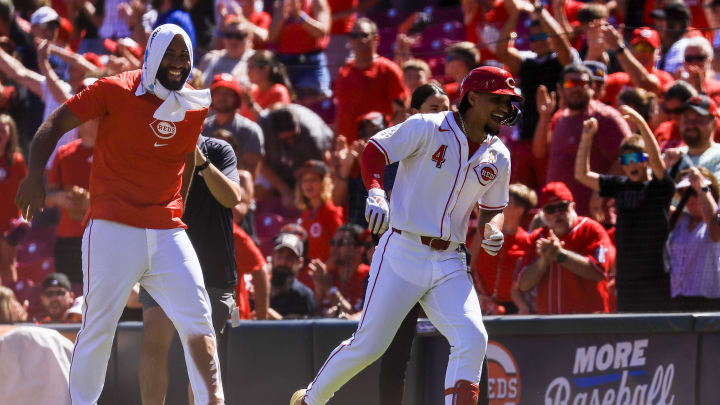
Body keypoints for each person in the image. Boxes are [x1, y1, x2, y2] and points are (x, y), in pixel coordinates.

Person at [14, 25, 224, 404]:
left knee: (199, 320)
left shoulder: (195, 103)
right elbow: (53, 125)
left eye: (185, 56)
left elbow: (187, 159)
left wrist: (178, 206)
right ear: (152, 56)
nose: (178, 64)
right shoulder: (114, 89)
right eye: (171, 54)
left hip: (166, 229)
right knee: (98, 326)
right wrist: (33, 175)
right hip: (113, 226)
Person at [291, 66, 519, 405]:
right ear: (472, 97)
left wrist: (493, 227)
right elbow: (374, 150)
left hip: (450, 258)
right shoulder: (428, 126)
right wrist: (376, 191)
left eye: (508, 101)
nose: (505, 107)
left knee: (472, 337)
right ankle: (310, 400)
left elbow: (493, 207)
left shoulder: (499, 153)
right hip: (403, 248)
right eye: (497, 99)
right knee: (369, 345)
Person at [137, 133, 243, 404]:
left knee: (203, 353)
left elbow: (232, 198)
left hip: (213, 270)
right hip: (164, 263)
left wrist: (202, 163)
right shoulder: (149, 146)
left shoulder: (217, 148)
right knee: (153, 340)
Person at [575, 107, 674, 312]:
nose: (632, 164)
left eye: (637, 158)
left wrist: (641, 124)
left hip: (656, 276)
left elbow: (658, 164)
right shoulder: (620, 185)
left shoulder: (660, 186)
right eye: (627, 161)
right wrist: (586, 138)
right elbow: (582, 175)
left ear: (646, 159)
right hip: (627, 277)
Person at [539, 63, 631, 216]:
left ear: (592, 87)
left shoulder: (605, 117)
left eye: (582, 83)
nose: (576, 88)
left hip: (597, 216)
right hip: (560, 217)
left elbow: (628, 156)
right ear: (560, 89)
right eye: (570, 83)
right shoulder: (560, 118)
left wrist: (603, 190)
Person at [518, 182, 615, 314]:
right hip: (550, 324)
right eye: (550, 209)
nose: (557, 213)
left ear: (573, 207)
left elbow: (599, 273)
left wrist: (560, 255)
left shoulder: (591, 230)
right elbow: (524, 285)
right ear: (543, 213)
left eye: (562, 206)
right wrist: (543, 261)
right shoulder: (537, 237)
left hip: (589, 323)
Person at [334, 17, 407, 144]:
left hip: (379, 147)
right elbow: (340, 111)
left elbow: (402, 112)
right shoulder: (343, 72)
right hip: (349, 149)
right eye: (353, 35)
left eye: (363, 35)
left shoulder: (388, 70)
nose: (358, 40)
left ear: (376, 39)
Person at [45, 116, 97, 288]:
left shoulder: (113, 153)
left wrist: (94, 204)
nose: (96, 121)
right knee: (66, 292)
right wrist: (58, 198)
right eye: (92, 117)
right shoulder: (64, 152)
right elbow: (47, 197)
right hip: (68, 237)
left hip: (99, 237)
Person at [472, 183, 536, 315]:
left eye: (505, 201)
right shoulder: (483, 233)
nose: (498, 204)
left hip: (517, 310)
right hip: (484, 307)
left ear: (519, 210)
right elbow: (469, 264)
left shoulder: (528, 242)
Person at [257, 104, 333, 209]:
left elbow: (325, 168)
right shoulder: (264, 127)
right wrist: (284, 190)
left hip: (310, 167)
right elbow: (260, 162)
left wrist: (301, 191)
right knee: (260, 190)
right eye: (286, 139)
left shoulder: (312, 135)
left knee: (312, 194)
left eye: (293, 136)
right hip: (279, 166)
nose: (291, 142)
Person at [668, 167, 720, 311]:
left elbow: (716, 231)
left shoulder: (715, 220)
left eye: (694, 192)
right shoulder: (681, 220)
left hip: (711, 303)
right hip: (678, 302)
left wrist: (701, 187)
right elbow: (653, 203)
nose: (690, 198)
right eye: (686, 193)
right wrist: (666, 168)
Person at [268, 0, 332, 103]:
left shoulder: (317, 2)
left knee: (314, 105)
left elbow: (321, 32)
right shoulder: (281, 3)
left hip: (310, 63)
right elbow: (271, 37)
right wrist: (282, 17)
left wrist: (299, 16)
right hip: (285, 62)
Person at [600, 26, 673, 106]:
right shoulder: (618, 80)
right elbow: (592, 88)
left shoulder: (664, 78)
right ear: (630, 50)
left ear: (658, 53)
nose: (643, 53)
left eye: (648, 48)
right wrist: (593, 51)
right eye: (638, 47)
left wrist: (618, 48)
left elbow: (644, 83)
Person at [307, 224, 369, 317]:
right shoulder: (326, 273)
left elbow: (360, 319)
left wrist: (329, 288)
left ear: (358, 249)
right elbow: (312, 315)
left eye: (340, 243)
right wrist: (319, 290)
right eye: (332, 243)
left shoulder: (368, 276)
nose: (334, 248)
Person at [296, 160, 343, 262]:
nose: (308, 184)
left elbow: (340, 248)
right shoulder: (306, 213)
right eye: (304, 180)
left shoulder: (331, 211)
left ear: (324, 182)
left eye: (313, 179)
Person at [664, 95, 720, 179]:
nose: (690, 125)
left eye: (699, 120)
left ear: (714, 124)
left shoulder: (717, 155)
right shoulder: (671, 157)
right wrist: (662, 171)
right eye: (686, 119)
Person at [0, 114, 26, 287]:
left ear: (10, 134)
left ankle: (10, 308)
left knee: (8, 266)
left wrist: (24, 218)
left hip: (9, 224)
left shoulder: (17, 161)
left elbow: (26, 193)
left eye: (3, 130)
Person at [268, 231, 316, 319]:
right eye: (279, 256)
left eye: (289, 257)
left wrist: (276, 319)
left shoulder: (303, 296)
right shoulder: (260, 292)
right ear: (272, 258)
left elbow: (304, 331)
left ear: (300, 262)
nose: (283, 262)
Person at [197, 18, 254, 88]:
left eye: (239, 36)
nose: (233, 41)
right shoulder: (210, 58)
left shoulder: (255, 61)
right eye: (229, 35)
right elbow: (197, 84)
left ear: (249, 38)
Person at [241, 50, 294, 121]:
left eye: (251, 67)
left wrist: (251, 104)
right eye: (248, 68)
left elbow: (275, 123)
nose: (248, 72)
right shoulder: (253, 91)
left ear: (266, 69)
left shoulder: (278, 91)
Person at [654, 80, 697, 150]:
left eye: (678, 111)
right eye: (669, 111)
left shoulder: (702, 130)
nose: (673, 116)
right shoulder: (662, 129)